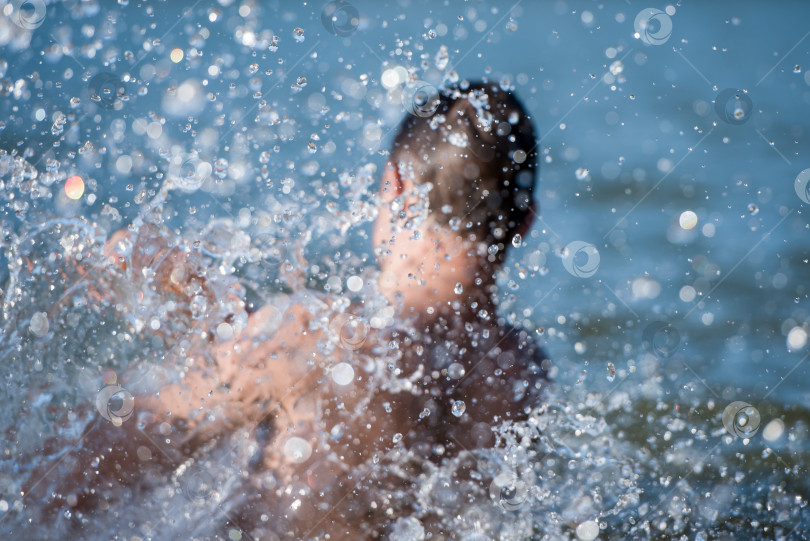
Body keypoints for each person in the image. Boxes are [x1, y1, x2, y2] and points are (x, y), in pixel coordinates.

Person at [22, 81, 548, 539]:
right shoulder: (522, 374)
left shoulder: (317, 338)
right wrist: (205, 306)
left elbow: (90, 466)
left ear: (395, 185)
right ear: (524, 224)